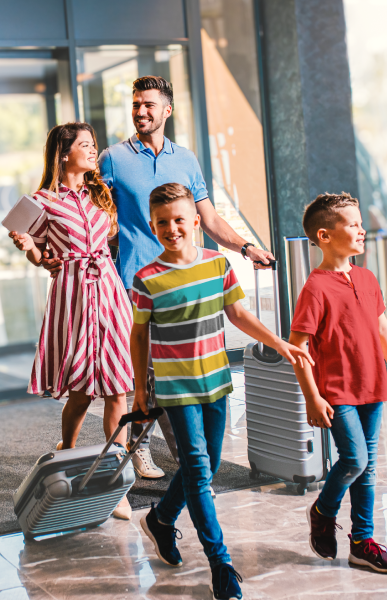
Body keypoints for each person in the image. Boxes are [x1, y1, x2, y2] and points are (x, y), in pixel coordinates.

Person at [42, 75, 275, 481]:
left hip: (185, 281)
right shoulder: (112, 157)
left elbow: (211, 218)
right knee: (144, 371)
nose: (140, 111)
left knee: (181, 368)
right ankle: (141, 448)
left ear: (167, 110)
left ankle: (184, 451)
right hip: (132, 281)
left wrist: (245, 248)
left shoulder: (186, 160)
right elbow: (91, 209)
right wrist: (52, 248)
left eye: (148, 104)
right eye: (135, 104)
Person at [130, 183, 314, 599]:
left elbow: (238, 314)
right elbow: (138, 335)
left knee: (208, 465)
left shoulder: (217, 266)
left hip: (216, 381)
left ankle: (161, 519)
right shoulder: (146, 279)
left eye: (179, 220)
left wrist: (281, 342)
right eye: (163, 223)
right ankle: (221, 563)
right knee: (198, 469)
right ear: (152, 226)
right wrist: (141, 388)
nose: (171, 228)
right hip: (176, 388)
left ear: (196, 222)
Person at [9, 122, 133, 520]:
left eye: (93, 144)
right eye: (85, 145)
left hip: (109, 291)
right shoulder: (42, 202)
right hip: (74, 294)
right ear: (64, 154)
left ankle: (116, 475)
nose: (93, 151)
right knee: (81, 389)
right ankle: (67, 451)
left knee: (118, 387)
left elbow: (110, 238)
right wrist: (29, 246)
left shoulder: (101, 194)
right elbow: (40, 255)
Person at [289, 192, 387, 573]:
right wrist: (312, 397)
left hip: (374, 386)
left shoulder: (366, 276)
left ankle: (362, 543)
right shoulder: (316, 288)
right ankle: (323, 510)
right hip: (338, 392)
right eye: (354, 224)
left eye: (361, 223)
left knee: (368, 467)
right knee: (355, 460)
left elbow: (382, 328)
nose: (362, 230)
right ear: (325, 236)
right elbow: (298, 346)